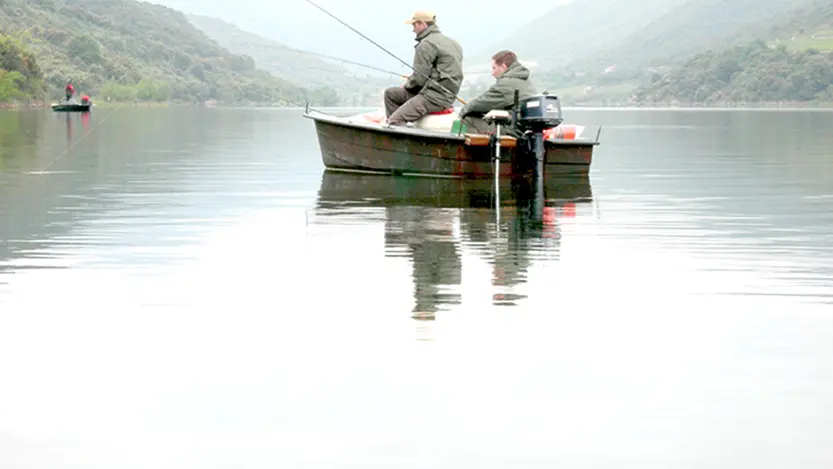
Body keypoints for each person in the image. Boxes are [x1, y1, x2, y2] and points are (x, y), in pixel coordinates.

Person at [384, 10, 463, 126]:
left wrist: (407, 85)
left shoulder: (426, 44)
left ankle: (398, 134)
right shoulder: (453, 43)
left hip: (433, 97)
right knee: (391, 94)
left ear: (421, 24)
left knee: (395, 120)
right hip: (448, 96)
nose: (413, 29)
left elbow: (419, 79)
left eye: (414, 25)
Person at [458, 50, 536, 137]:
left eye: (494, 68)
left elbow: (481, 103)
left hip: (512, 130)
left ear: (503, 67)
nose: (492, 73)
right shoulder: (524, 80)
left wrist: (463, 111)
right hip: (523, 128)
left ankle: (476, 150)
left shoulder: (506, 83)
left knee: (469, 118)